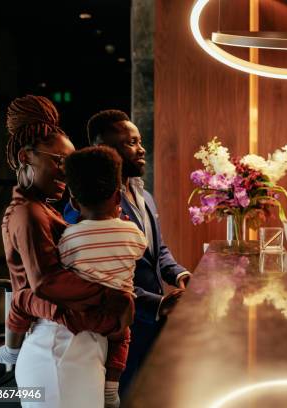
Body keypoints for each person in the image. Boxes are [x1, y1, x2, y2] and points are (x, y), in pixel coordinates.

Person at [0, 95, 135, 407]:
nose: (65, 175)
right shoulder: (28, 212)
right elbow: (46, 283)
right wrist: (112, 297)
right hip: (57, 348)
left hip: (68, 344)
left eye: (69, 166)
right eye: (59, 162)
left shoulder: (42, 209)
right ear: (25, 157)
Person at [64, 110, 190, 393]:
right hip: (117, 328)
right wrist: (157, 303)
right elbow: (96, 276)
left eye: (140, 140)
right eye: (131, 142)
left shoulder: (144, 195)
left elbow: (159, 250)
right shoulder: (84, 207)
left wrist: (180, 274)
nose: (141, 148)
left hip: (153, 326)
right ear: (103, 149)